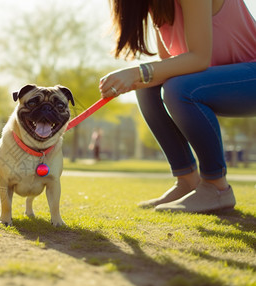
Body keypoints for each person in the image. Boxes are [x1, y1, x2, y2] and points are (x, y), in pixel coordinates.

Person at [99, 0, 256, 213]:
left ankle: (216, 187)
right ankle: (188, 182)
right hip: (222, 81)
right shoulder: (157, 6)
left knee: (177, 87)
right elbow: (170, 64)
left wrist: (136, 73)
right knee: (146, 87)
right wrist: (134, 80)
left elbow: (199, 58)